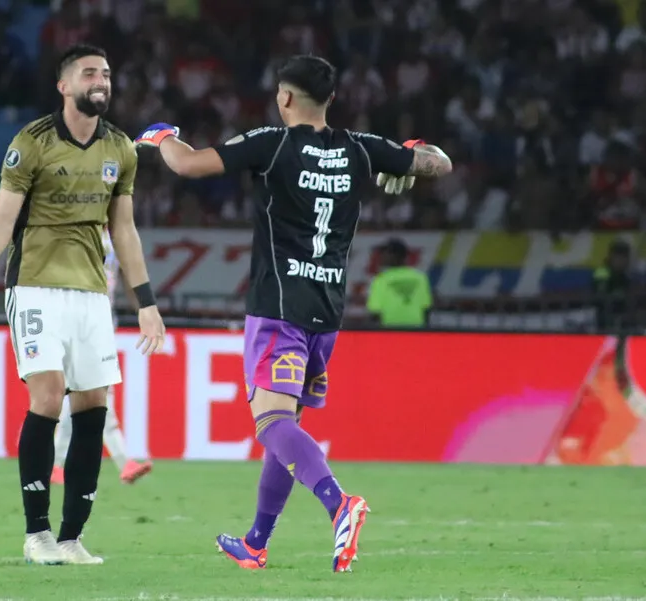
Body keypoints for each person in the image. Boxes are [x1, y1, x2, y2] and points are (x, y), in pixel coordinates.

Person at [135, 54, 451, 573]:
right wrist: (412, 155)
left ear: (285, 97)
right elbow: (439, 163)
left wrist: (161, 136)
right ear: (330, 99)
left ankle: (339, 504)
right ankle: (256, 542)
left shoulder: (272, 142)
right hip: (327, 308)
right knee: (287, 424)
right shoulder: (360, 148)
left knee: (271, 422)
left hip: (278, 307)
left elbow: (188, 164)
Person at [0, 44, 166, 567]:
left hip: (91, 292)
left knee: (93, 408)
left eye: (107, 74)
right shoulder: (32, 143)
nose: (102, 81)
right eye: (90, 73)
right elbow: (1, 221)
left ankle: (71, 538)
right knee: (47, 398)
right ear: (64, 86)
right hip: (36, 284)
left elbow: (125, 229)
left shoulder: (122, 150)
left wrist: (146, 303)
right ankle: (36, 534)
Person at [52, 226, 154, 486]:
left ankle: (55, 464)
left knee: (80, 396)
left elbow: (129, 280)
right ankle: (123, 462)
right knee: (94, 395)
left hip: (103, 325)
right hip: (81, 324)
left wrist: (144, 311)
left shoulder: (117, 235)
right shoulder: (80, 229)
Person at [366, 238, 432, 328]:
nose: (381, 257)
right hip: (417, 331)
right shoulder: (420, 278)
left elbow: (375, 312)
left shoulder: (381, 279)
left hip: (390, 331)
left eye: (385, 253)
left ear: (395, 255)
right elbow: (426, 309)